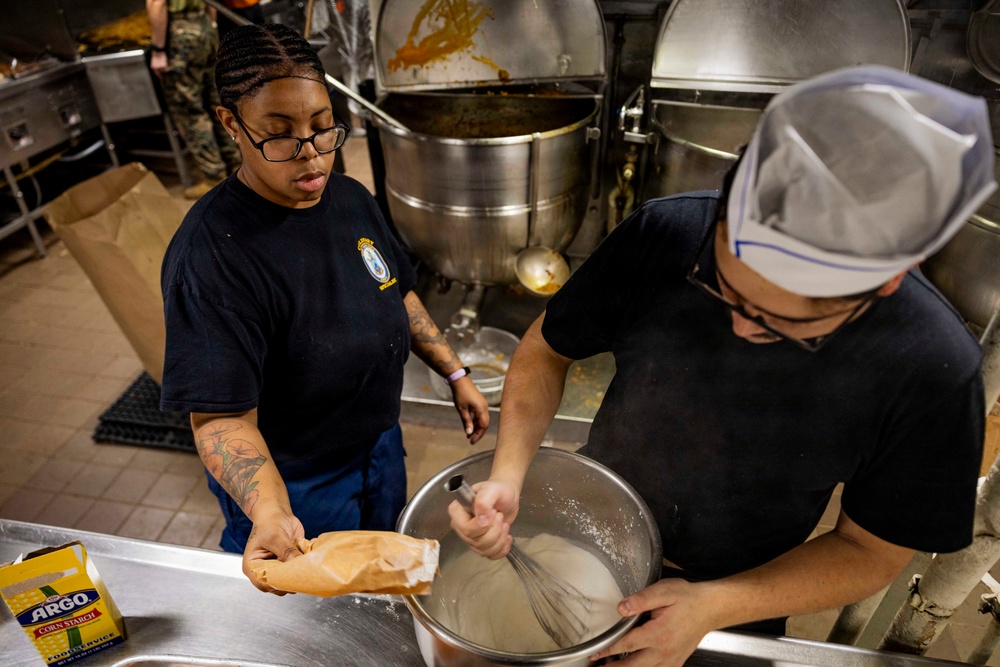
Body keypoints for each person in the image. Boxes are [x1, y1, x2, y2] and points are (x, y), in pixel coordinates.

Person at [449, 66, 996, 665]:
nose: (739, 325)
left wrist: (712, 605)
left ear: (886, 281)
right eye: (722, 288)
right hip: (590, 532)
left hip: (747, 591)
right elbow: (544, 353)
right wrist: (508, 473)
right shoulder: (669, 233)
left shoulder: (935, 372)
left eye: (776, 323)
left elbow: (869, 551)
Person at [160, 23, 490, 592]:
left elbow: (395, 290)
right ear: (231, 123)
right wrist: (269, 511)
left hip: (378, 447)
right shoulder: (212, 257)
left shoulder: (350, 198)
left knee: (382, 584)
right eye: (281, 134)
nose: (311, 155)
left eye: (321, 127)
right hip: (295, 481)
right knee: (311, 617)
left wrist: (454, 370)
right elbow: (219, 418)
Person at [147, 0, 242, 199]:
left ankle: (214, 176)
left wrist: (158, 49)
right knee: (217, 104)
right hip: (206, 27)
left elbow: (157, 3)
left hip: (180, 35)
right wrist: (211, 26)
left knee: (190, 111)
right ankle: (237, 165)